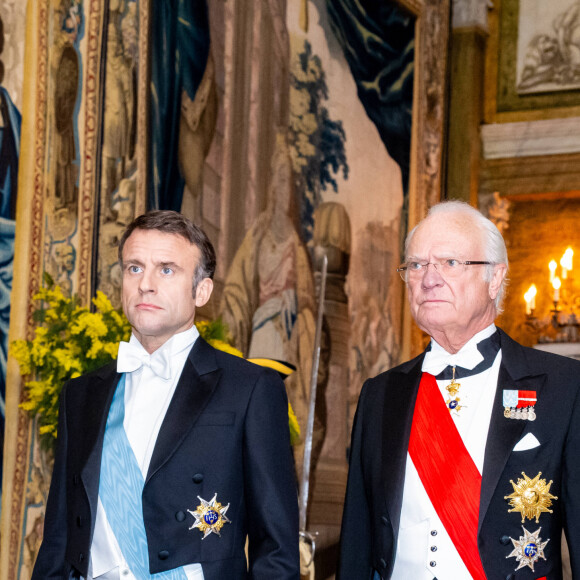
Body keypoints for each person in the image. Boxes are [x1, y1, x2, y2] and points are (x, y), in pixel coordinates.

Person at [32, 210, 299, 579]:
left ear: (201, 291)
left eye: (167, 269)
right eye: (134, 268)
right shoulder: (79, 395)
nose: (146, 284)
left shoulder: (251, 388)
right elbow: (58, 542)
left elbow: (277, 551)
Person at [337, 200, 580, 579]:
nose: (428, 278)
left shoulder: (564, 386)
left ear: (495, 278)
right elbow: (357, 541)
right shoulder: (379, 395)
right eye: (416, 265)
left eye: (450, 263)